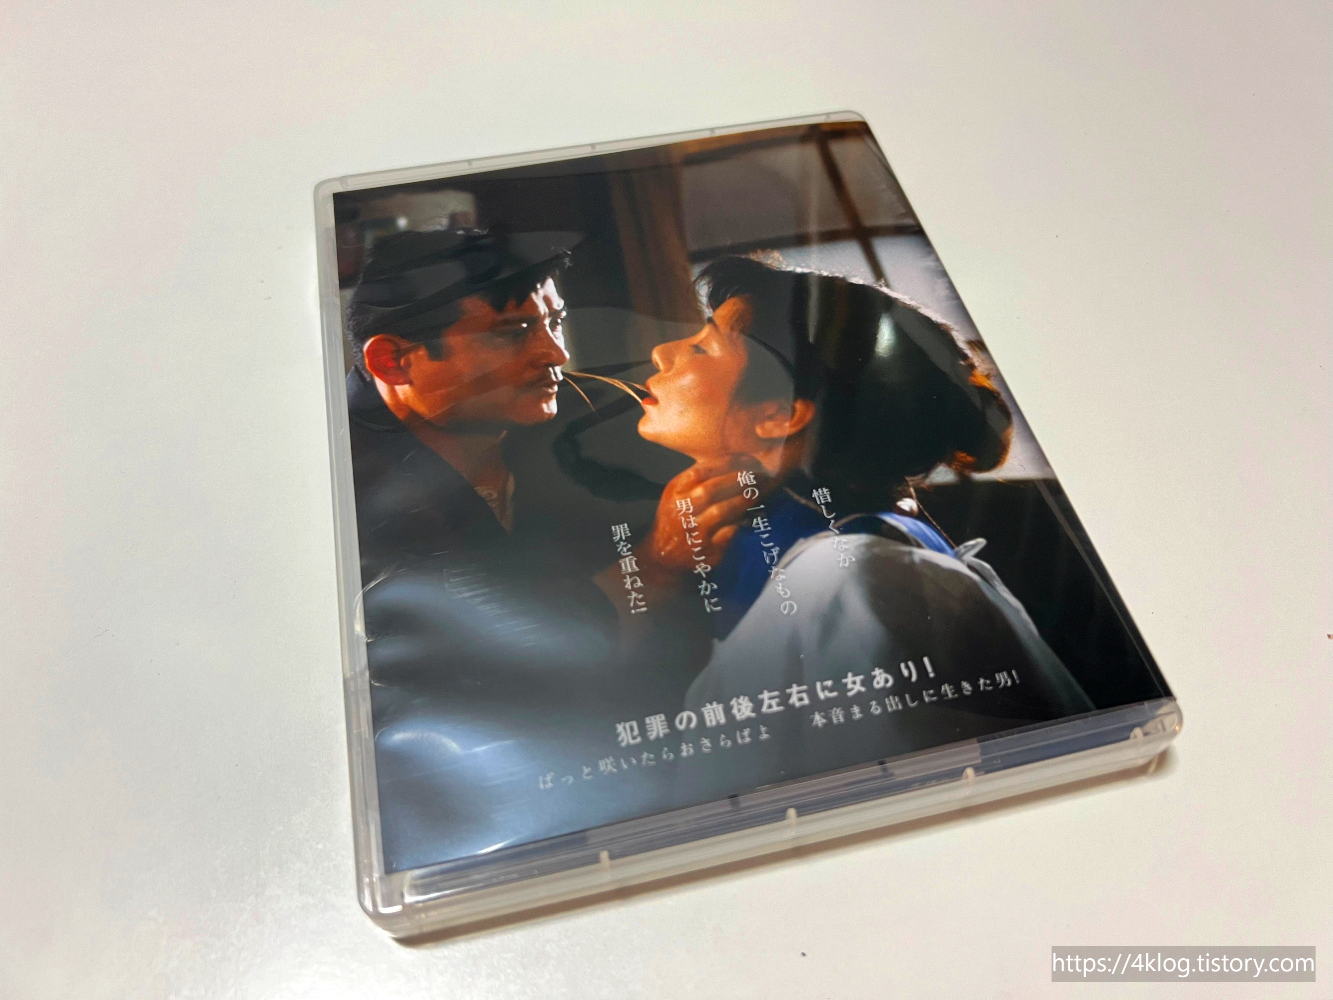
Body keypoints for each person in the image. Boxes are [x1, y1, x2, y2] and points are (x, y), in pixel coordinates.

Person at [344, 229, 751, 871]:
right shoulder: (341, 501)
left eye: (553, 322)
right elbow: (505, 678)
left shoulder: (599, 414)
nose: (556, 353)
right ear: (394, 361)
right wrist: (655, 563)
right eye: (512, 334)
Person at [634, 255, 1093, 799]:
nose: (662, 352)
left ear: (781, 414)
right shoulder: (838, 560)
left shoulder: (852, 579)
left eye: (702, 348)